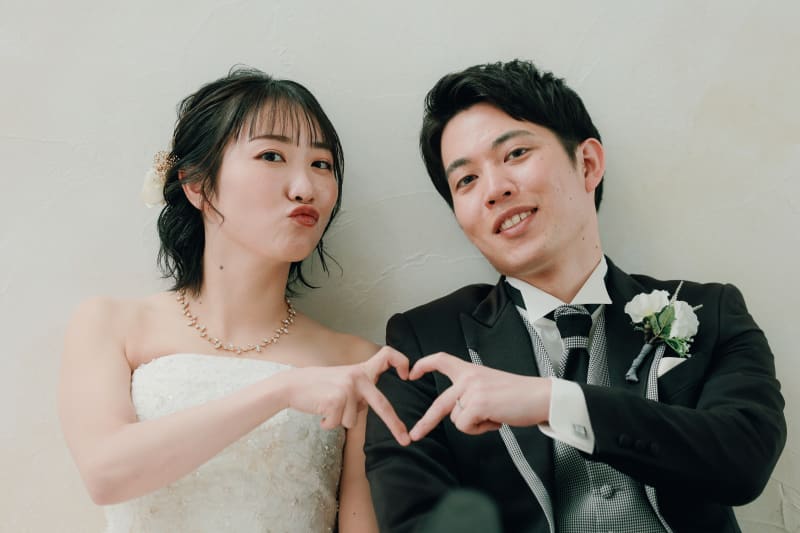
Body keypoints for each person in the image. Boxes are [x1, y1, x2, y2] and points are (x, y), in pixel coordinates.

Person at [364, 59, 786, 533]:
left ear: (587, 164)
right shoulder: (423, 343)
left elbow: (745, 459)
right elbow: (414, 521)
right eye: (466, 180)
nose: (495, 190)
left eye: (515, 153)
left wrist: (554, 402)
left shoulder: (710, 309)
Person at [58, 67, 410, 533]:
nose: (305, 187)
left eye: (322, 164)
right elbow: (106, 474)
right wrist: (281, 391)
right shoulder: (111, 324)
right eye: (271, 155)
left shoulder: (356, 361)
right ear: (197, 184)